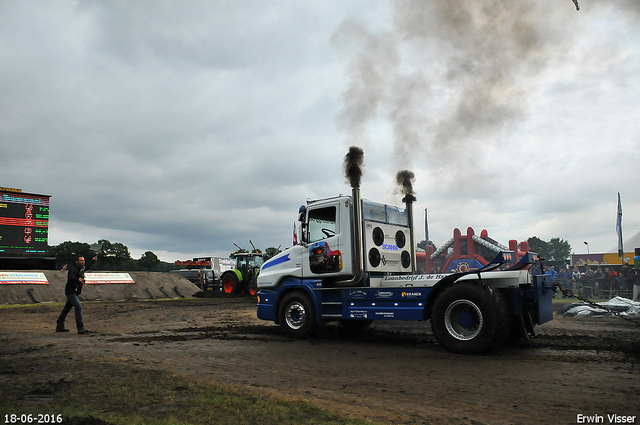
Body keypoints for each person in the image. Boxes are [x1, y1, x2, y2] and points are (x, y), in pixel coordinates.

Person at [56, 254, 96, 334]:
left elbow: (86, 267)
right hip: (71, 292)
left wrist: (92, 261)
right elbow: (71, 277)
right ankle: (80, 328)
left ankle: (59, 325)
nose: (83, 262)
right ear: (76, 261)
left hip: (75, 292)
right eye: (81, 260)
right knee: (78, 307)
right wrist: (78, 279)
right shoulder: (73, 270)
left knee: (66, 309)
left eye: (84, 260)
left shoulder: (81, 269)